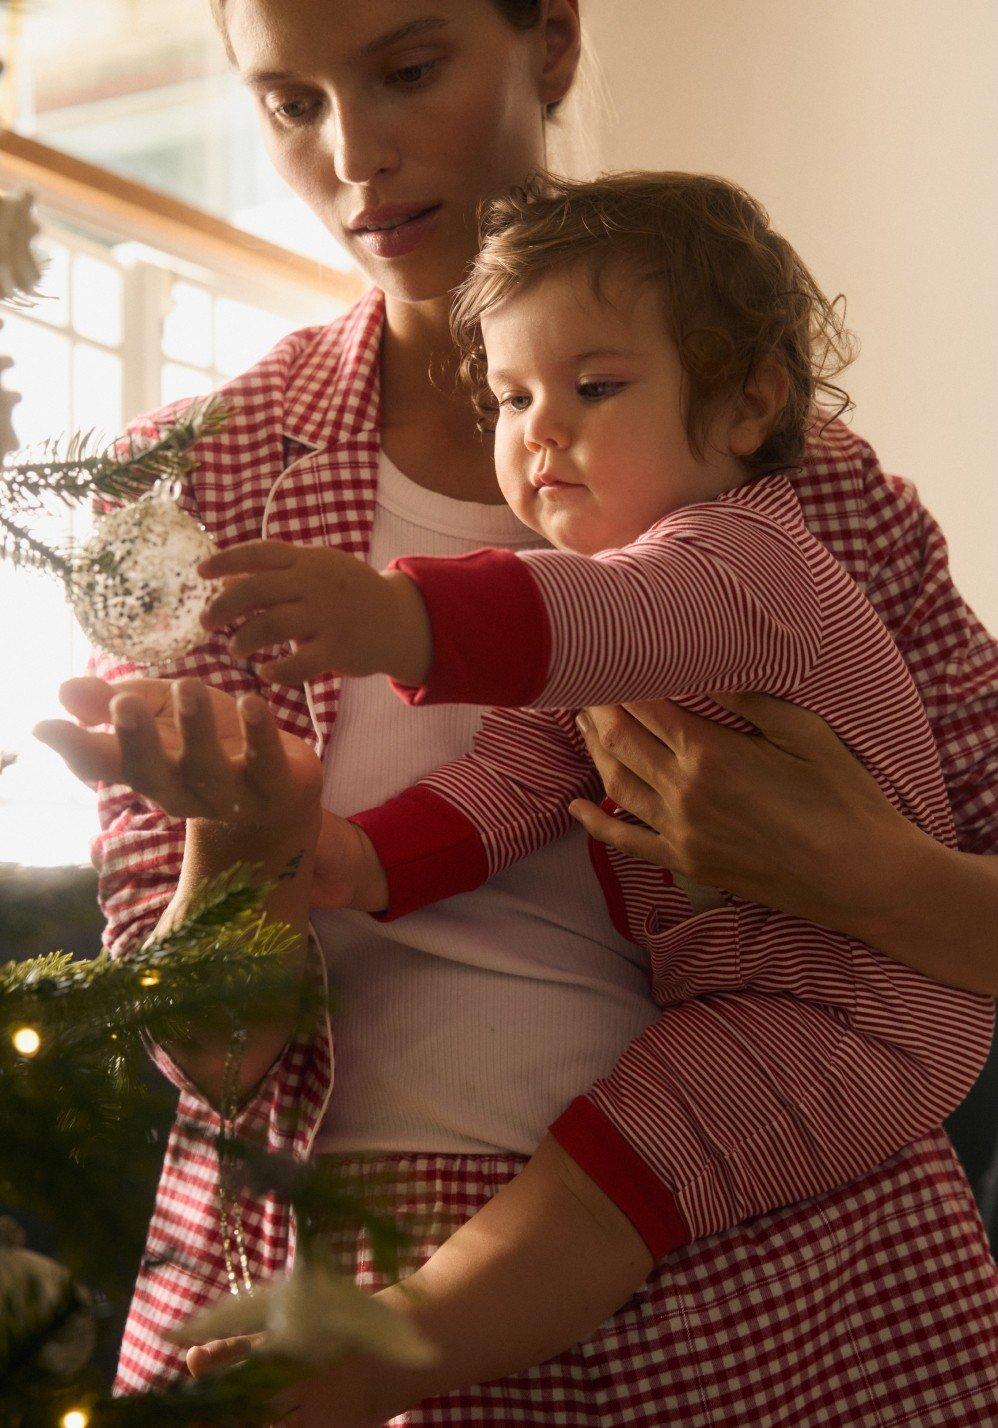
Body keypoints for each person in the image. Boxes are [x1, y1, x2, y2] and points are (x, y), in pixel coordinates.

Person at [32, 2, 998, 1423]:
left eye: (407, 70)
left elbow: (551, 626)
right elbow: (213, 1057)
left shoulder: (794, 496)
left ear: (548, 44)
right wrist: (268, 858)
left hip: (793, 1308)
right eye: (288, 103)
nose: (352, 151)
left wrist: (867, 875)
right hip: (319, 1285)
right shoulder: (191, 494)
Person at [194, 168, 994, 1261]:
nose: (539, 433)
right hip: (752, 998)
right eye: (514, 398)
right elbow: (515, 780)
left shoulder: (743, 559)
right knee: (613, 1156)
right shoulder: (607, 592)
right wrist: (351, 862)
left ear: (747, 403)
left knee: (608, 1176)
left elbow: (592, 617)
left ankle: (383, 1357)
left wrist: (391, 613)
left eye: (595, 390)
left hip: (863, 1007)